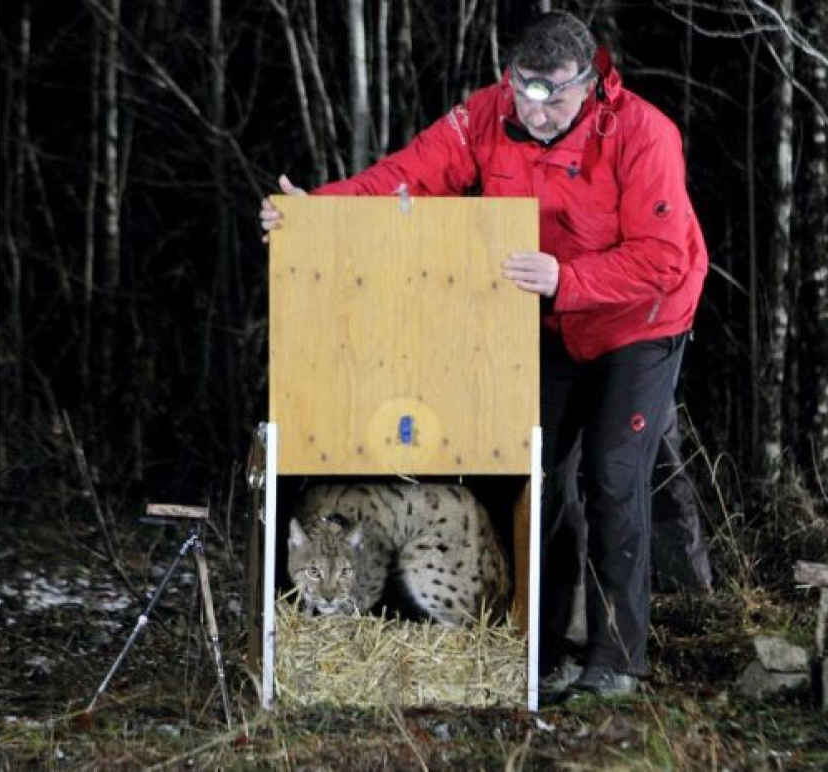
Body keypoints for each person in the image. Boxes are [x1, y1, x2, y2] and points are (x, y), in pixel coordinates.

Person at [260, 11, 708, 698]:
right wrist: (317, 215)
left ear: (589, 82)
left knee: (613, 475)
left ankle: (617, 659)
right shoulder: (484, 117)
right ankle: (549, 649)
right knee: (539, 475)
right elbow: (407, 179)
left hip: (637, 320)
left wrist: (571, 279)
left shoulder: (644, 133)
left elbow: (664, 258)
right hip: (547, 318)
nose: (536, 108)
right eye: (524, 89)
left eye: (554, 94)